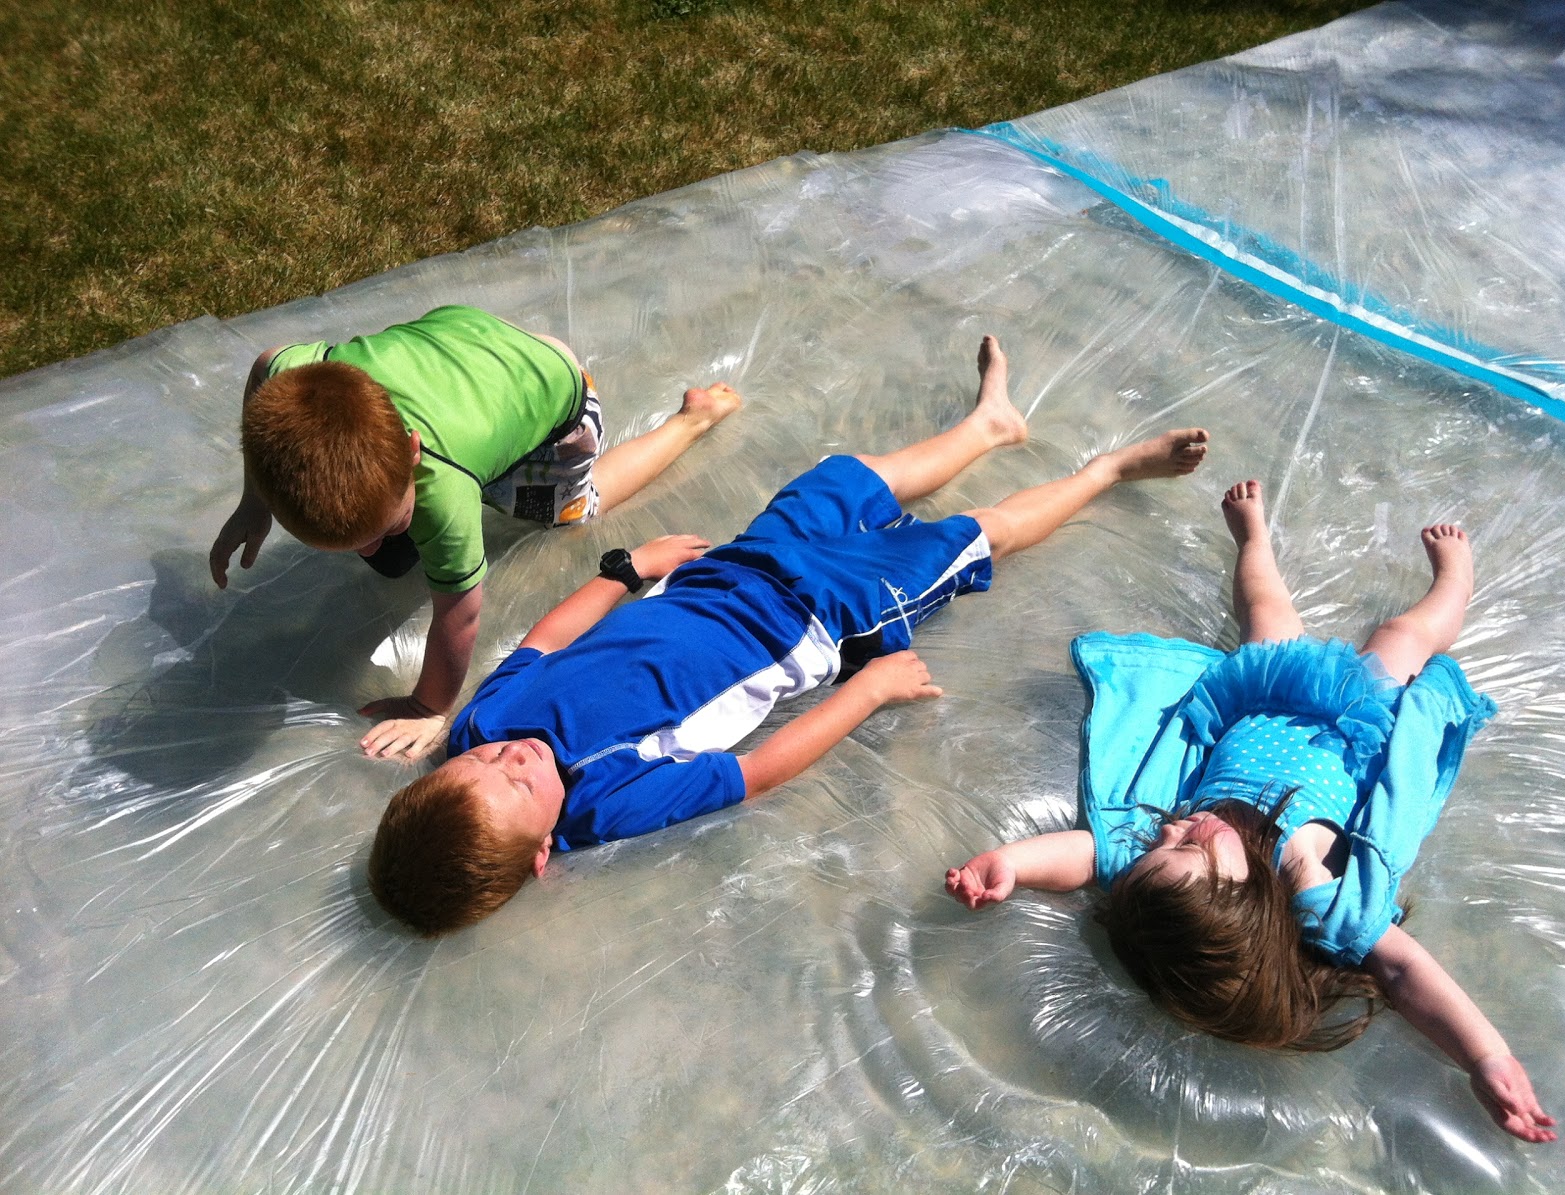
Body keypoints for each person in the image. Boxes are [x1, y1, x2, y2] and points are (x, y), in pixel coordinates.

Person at [366, 334, 1209, 935]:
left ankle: (991, 426)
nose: (509, 757)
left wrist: (625, 571)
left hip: (733, 568)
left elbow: (546, 640)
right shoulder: (606, 802)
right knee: (970, 534)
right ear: (546, 850)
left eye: (480, 762)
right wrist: (867, 688)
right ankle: (1107, 470)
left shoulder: (484, 724)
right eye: (513, 784)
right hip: (823, 616)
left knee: (852, 477)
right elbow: (758, 770)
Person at [946, 478, 1557, 1144]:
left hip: (1262, 700)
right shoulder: (1311, 890)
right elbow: (1406, 970)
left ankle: (1253, 536)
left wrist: (1009, 863)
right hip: (1358, 719)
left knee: (1264, 609)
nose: (1172, 827)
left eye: (1165, 841)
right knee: (1404, 633)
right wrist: (1485, 1055)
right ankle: (1455, 583)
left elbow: (1087, 853)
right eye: (1190, 845)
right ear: (1242, 896)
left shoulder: (1157, 871)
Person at [207, 305, 741, 757]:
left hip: (554, 396)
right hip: (469, 345)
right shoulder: (291, 375)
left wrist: (429, 707)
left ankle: (692, 419)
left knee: (571, 508)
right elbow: (263, 365)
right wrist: (256, 501)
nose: (369, 551)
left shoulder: (445, 491)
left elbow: (460, 615)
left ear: (413, 453)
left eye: (381, 530)